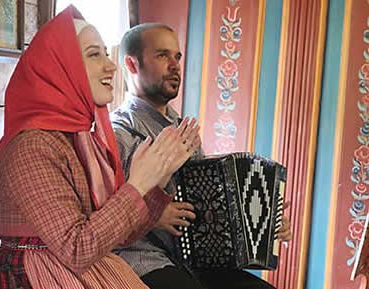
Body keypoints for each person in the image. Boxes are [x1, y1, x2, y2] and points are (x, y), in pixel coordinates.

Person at [0, 7, 200, 289]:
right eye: (93, 54)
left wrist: (157, 179)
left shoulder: (81, 140)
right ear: (61, 67)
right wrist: (138, 184)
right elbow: (77, 249)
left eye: (106, 54)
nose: (110, 66)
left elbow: (121, 235)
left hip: (84, 269)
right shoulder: (32, 146)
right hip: (39, 275)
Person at [111, 23, 292, 289]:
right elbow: (103, 211)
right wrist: (153, 215)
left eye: (178, 56)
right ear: (131, 64)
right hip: (143, 261)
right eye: (163, 55)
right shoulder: (119, 133)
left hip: (193, 262)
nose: (175, 65)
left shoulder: (184, 130)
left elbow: (207, 208)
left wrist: (263, 222)